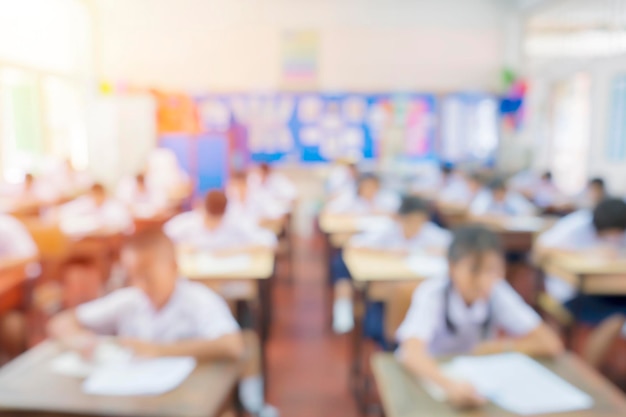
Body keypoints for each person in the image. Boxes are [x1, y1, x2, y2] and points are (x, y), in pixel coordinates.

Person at [47, 229, 278, 417]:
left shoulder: (197, 300)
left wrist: (158, 350)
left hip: (189, 401)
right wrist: (79, 340)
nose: (140, 284)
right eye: (132, 275)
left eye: (147, 275)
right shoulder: (130, 300)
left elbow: (234, 344)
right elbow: (63, 321)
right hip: (137, 401)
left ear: (173, 267)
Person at [396, 225, 563, 408]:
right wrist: (449, 385)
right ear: (452, 267)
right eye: (474, 270)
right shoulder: (433, 293)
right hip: (430, 375)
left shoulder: (497, 291)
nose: (484, 280)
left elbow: (550, 343)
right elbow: (412, 353)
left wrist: (502, 346)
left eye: (492, 270)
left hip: (473, 379)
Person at [332, 196, 451, 334]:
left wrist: (438, 251)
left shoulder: (430, 232)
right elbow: (354, 245)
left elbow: (455, 246)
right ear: (399, 218)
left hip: (418, 286)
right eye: (410, 221)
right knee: (377, 326)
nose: (415, 226)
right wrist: (387, 252)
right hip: (387, 285)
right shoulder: (388, 230)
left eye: (420, 222)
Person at [537, 198, 626, 327]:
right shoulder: (576, 224)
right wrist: (587, 253)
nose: (613, 238)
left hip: (610, 289)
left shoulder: (620, 224)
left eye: (618, 234)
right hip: (573, 291)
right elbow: (541, 249)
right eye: (609, 234)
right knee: (616, 316)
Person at [164, 190, 277, 253]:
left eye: (217, 221)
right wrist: (179, 248)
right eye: (209, 220)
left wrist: (238, 250)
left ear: (225, 213)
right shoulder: (188, 222)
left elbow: (269, 239)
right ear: (202, 209)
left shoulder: (234, 223)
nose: (213, 225)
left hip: (228, 280)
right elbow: (160, 238)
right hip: (195, 279)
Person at [0, 214, 38, 359]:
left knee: (10, 319)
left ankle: (17, 359)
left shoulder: (6, 225)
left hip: (24, 284)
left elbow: (30, 255)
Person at [57, 183, 133, 234]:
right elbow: (68, 210)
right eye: (93, 195)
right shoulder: (87, 201)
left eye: (97, 195)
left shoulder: (114, 206)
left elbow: (123, 224)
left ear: (103, 194)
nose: (95, 198)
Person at [325, 173, 401, 215]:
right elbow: (330, 211)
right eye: (366, 187)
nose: (370, 189)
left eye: (373, 186)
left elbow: (398, 215)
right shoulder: (353, 200)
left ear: (378, 186)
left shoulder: (387, 198)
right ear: (360, 188)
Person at [469, 177, 536, 216]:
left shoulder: (513, 197)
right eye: (495, 192)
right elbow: (475, 213)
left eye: (499, 191)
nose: (497, 194)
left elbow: (529, 212)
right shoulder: (485, 197)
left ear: (504, 190)